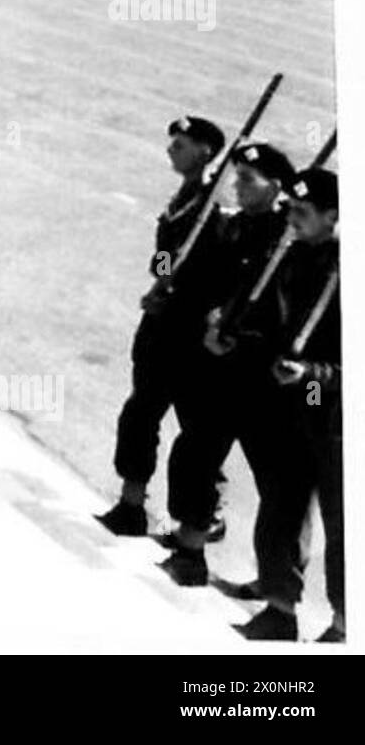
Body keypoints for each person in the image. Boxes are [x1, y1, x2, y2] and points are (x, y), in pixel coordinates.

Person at [157, 142, 293, 587]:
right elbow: (177, 262)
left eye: (247, 181)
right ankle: (190, 542)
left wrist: (235, 332)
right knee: (194, 451)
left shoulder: (281, 237)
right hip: (211, 358)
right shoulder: (220, 222)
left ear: (275, 187)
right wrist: (164, 279)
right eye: (235, 178)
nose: (236, 186)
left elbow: (278, 310)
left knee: (275, 480)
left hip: (255, 372)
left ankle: (276, 587)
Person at [97, 115, 226, 536]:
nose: (172, 150)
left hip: (188, 330)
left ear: (206, 151)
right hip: (161, 322)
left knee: (196, 429)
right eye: (172, 143)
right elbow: (165, 256)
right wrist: (161, 279)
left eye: (182, 144)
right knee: (140, 412)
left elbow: (216, 275)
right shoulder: (183, 198)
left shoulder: (215, 206)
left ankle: (208, 515)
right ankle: (132, 504)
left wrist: (176, 288)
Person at [231, 168, 342, 642]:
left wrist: (313, 375)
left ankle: (343, 627)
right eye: (290, 209)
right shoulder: (293, 256)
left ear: (332, 217)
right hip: (291, 406)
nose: (291, 219)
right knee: (281, 508)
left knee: (344, 529)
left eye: (302, 212)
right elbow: (267, 318)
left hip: (334, 414)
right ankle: (279, 607)